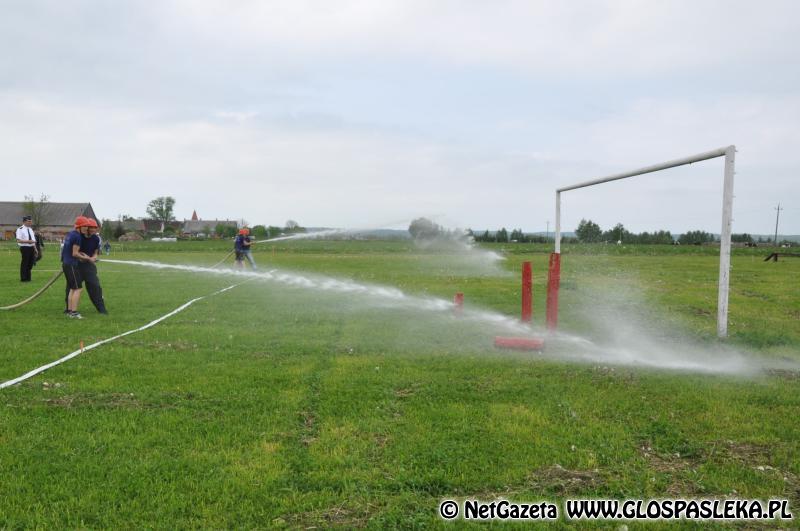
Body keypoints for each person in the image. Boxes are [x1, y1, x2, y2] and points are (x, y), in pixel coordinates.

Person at [64, 218, 107, 315]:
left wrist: (94, 257)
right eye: (91, 228)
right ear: (86, 228)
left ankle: (101, 309)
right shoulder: (78, 236)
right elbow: (73, 251)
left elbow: (96, 253)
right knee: (72, 287)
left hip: (89, 266)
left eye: (95, 228)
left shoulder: (96, 239)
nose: (93, 231)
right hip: (75, 265)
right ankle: (69, 309)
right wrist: (83, 257)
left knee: (95, 286)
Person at [61, 216, 93, 319]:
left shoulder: (71, 234)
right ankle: (74, 313)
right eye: (84, 226)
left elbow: (71, 251)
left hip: (66, 264)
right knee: (78, 289)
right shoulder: (78, 237)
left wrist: (83, 256)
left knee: (72, 288)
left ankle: (70, 311)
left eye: (87, 226)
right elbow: (75, 254)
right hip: (71, 265)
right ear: (79, 226)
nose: (86, 228)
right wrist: (88, 259)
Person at [15, 215, 37, 282]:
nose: (30, 223)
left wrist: (35, 248)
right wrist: (28, 241)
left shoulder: (30, 229)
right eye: (29, 221)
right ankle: (23, 278)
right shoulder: (20, 229)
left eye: (31, 221)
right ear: (24, 222)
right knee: (25, 263)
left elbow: (33, 240)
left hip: (31, 248)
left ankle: (28, 278)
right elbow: (18, 240)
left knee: (30, 263)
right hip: (25, 247)